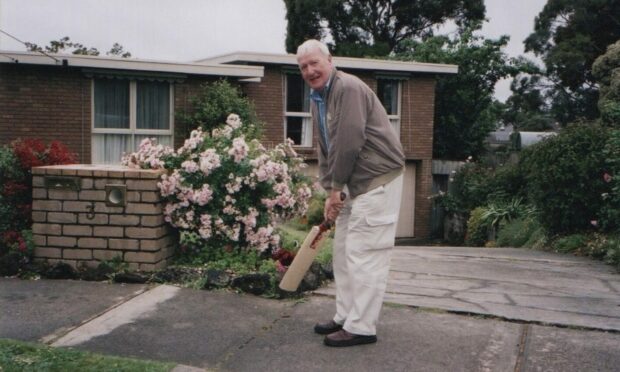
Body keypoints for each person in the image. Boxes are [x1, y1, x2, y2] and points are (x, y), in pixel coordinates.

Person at [296, 39, 405, 347]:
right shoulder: (319, 96)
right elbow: (326, 148)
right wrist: (331, 189)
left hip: (376, 180)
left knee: (365, 255)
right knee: (343, 253)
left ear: (329, 60)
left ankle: (362, 326)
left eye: (314, 63)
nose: (310, 70)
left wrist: (335, 190)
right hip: (353, 183)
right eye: (303, 67)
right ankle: (345, 315)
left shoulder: (348, 88)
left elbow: (348, 142)